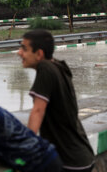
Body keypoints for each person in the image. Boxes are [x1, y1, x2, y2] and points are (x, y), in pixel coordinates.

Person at [18, 29, 95, 172]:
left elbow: (38, 110)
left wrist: (26, 147)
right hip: (81, 155)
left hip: (70, 161)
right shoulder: (58, 66)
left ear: (39, 54)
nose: (19, 53)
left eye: (24, 49)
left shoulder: (45, 68)